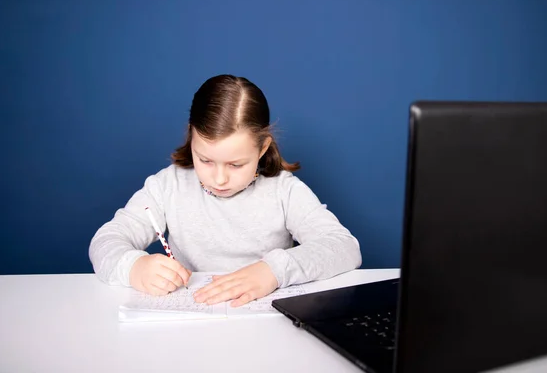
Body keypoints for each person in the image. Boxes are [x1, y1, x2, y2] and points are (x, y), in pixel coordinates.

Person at [89, 74, 362, 307]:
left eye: (236, 164)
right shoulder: (167, 186)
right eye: (205, 160)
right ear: (191, 137)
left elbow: (345, 248)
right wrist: (134, 267)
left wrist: (274, 271)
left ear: (262, 148)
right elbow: (105, 241)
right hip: (188, 324)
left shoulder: (283, 190)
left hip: (263, 328)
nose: (219, 179)